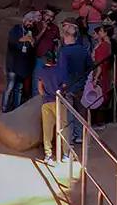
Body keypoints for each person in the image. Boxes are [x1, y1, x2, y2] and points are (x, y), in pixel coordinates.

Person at [54, 18, 90, 147]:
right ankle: (79, 135)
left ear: (66, 36)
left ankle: (68, 139)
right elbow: (90, 66)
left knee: (68, 113)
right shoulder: (83, 50)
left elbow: (62, 70)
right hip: (81, 85)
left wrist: (62, 85)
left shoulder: (64, 51)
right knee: (80, 111)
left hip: (68, 86)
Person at [33, 44, 67, 162]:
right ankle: (65, 154)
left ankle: (48, 154)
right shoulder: (60, 70)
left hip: (46, 103)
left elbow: (40, 88)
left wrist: (44, 96)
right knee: (63, 128)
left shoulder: (42, 71)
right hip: (59, 101)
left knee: (47, 130)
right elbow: (64, 85)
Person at [3, 12, 37, 113]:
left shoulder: (31, 33)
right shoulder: (16, 29)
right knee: (10, 87)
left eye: (32, 22)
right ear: (24, 20)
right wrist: (24, 39)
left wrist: (32, 42)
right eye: (29, 21)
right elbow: (12, 43)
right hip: (13, 65)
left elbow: (31, 50)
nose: (30, 23)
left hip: (23, 67)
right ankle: (4, 108)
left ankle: (16, 109)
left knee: (19, 89)